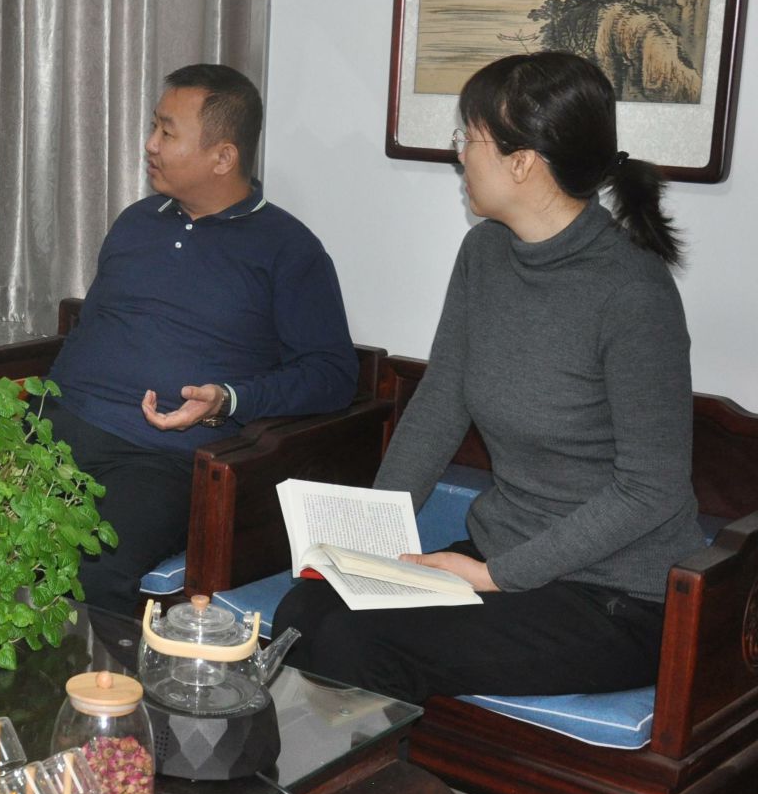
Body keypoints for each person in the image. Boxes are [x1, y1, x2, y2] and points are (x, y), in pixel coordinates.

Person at [274, 52, 700, 702]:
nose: (459, 155)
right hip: (504, 557)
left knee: (357, 643)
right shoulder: (486, 252)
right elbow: (441, 402)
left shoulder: (632, 292)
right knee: (305, 611)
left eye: (468, 138)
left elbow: (651, 489)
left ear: (522, 162)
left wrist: (497, 575)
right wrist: (366, 540)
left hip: (612, 595)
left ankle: (374, 773)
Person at [44, 64, 358, 613]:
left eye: (167, 132)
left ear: (223, 156)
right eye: (154, 126)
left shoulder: (288, 250)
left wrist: (230, 399)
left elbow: (333, 375)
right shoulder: (137, 222)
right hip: (54, 428)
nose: (150, 144)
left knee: (86, 568)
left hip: (157, 458)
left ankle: (86, 672)